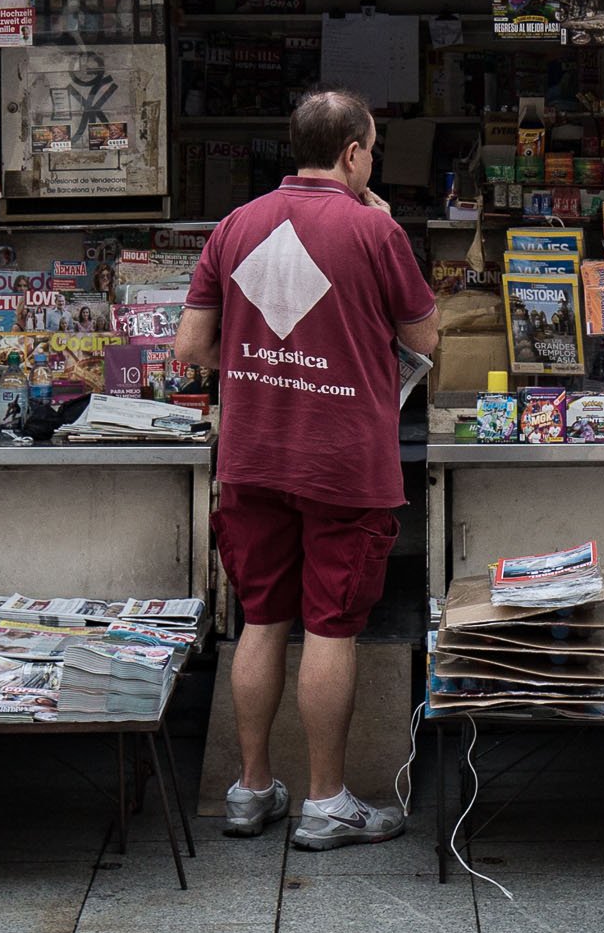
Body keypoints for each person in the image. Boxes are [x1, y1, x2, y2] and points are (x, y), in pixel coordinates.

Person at [173, 88, 438, 850]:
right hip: (343, 463)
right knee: (331, 625)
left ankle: (251, 788)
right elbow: (427, 335)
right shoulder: (373, 230)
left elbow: (190, 348)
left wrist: (268, 356)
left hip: (252, 455)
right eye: (372, 149)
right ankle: (325, 800)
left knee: (261, 618)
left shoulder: (235, 225)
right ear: (352, 152)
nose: (372, 162)